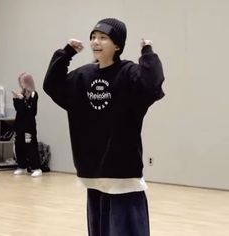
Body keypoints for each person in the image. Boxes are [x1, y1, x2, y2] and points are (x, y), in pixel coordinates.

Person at [43, 18, 165, 236]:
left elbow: (152, 84)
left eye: (103, 38)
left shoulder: (129, 73)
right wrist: (66, 53)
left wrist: (147, 53)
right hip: (93, 174)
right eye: (93, 37)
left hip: (123, 177)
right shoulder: (83, 76)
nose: (95, 42)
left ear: (117, 45)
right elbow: (52, 85)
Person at [12, 72, 42, 177]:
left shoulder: (34, 94)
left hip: (29, 126)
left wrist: (23, 101)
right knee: (19, 145)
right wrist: (18, 99)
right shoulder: (20, 94)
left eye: (23, 82)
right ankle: (22, 166)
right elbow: (19, 110)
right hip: (19, 125)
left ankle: (36, 167)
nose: (21, 84)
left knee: (31, 146)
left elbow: (32, 112)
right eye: (20, 82)